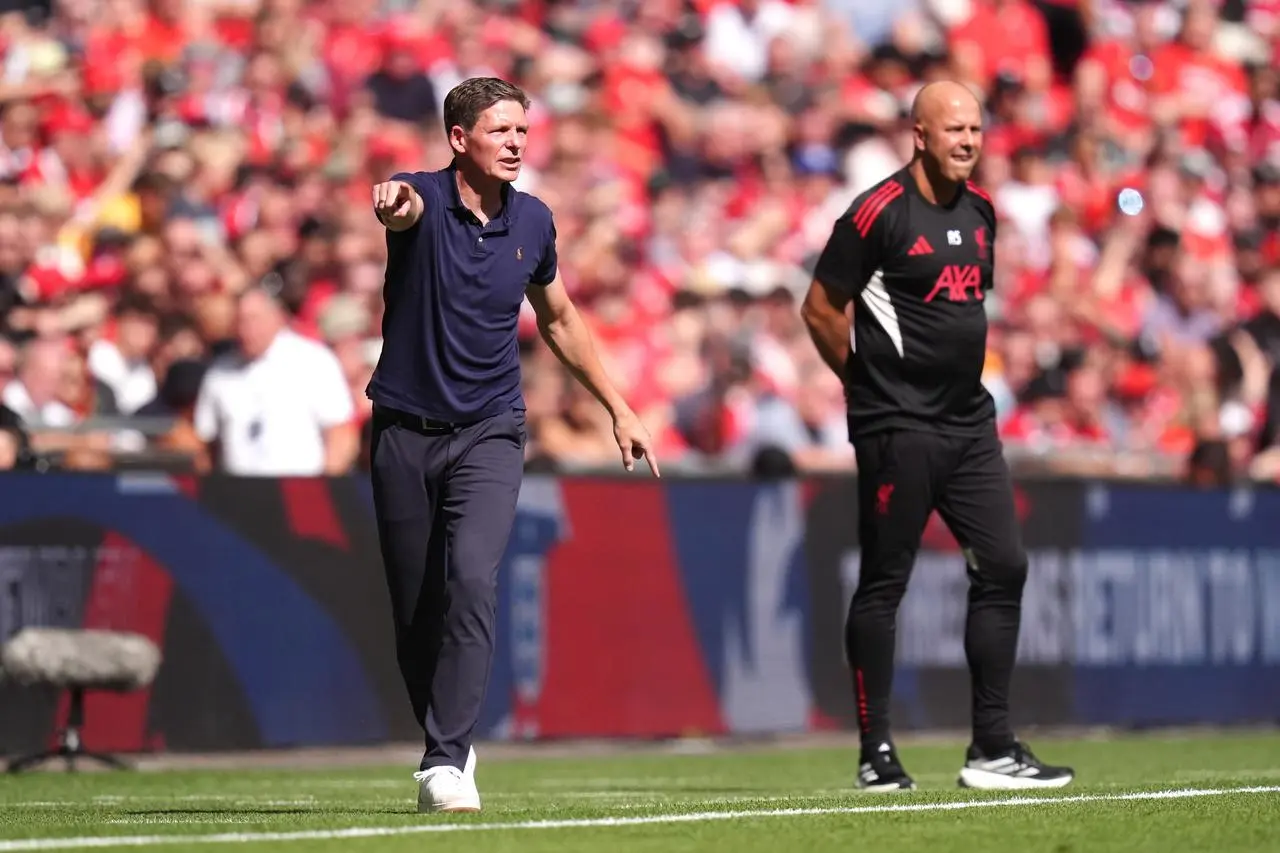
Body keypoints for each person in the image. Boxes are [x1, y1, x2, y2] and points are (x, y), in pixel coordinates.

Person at [367, 77, 658, 814]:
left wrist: (617, 407)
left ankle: (443, 757)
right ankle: (453, 742)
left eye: (523, 132)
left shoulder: (533, 220)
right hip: (404, 429)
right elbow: (397, 204)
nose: (517, 144)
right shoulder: (423, 199)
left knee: (470, 575)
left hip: (490, 429)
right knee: (414, 608)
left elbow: (558, 319)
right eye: (501, 132)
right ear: (459, 139)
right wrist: (390, 202)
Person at [800, 80, 1074, 791]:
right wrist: (866, 385)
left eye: (977, 130)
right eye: (954, 129)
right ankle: (876, 750)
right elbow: (823, 309)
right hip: (899, 424)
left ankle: (991, 746)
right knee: (886, 581)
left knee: (1004, 565)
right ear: (919, 134)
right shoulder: (879, 213)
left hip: (969, 422)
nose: (968, 141)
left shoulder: (983, 212)